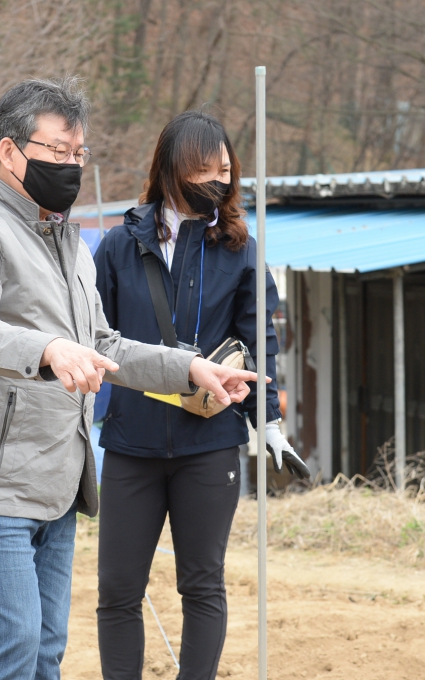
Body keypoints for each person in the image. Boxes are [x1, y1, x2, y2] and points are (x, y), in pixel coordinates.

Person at [0, 78, 262, 680]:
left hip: (56, 479)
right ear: (9, 151)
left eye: (80, 154)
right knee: (14, 644)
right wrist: (50, 348)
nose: (72, 166)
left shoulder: (70, 244)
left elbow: (103, 345)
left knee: (47, 648)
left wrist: (188, 368)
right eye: (58, 152)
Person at [93, 110, 310, 680]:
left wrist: (268, 426)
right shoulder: (118, 247)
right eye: (203, 167)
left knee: (202, 584)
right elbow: (91, 339)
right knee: (117, 590)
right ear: (171, 169)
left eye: (224, 167)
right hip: (130, 445)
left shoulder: (239, 249)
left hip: (210, 444)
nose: (218, 177)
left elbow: (261, 339)